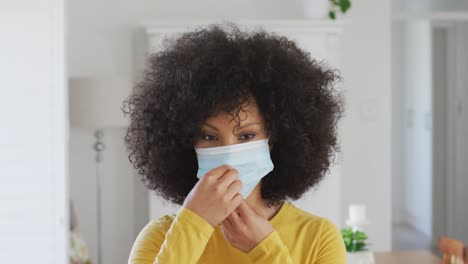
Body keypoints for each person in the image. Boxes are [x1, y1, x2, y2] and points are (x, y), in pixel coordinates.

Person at [122, 22, 346, 263]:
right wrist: (194, 224)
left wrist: (265, 249)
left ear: (273, 140)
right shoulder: (159, 238)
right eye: (209, 137)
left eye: (246, 136)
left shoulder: (318, 237)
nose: (227, 153)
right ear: (188, 145)